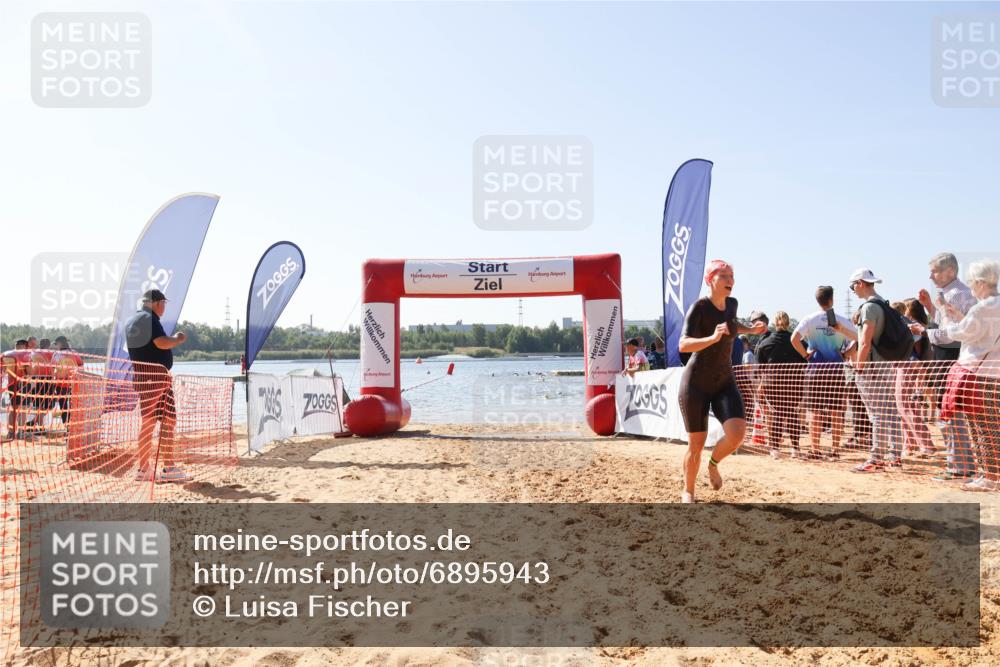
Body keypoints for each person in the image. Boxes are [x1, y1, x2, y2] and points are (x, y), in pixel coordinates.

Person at [677, 260, 767, 502]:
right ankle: (688, 491)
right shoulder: (699, 308)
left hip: (724, 381)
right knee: (696, 444)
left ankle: (713, 464)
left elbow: (732, 325)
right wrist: (712, 337)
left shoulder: (732, 304)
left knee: (737, 433)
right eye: (724, 276)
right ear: (710, 280)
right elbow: (683, 344)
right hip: (695, 383)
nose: (730, 281)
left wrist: (750, 330)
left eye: (732, 276)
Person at [910, 260, 1000, 491]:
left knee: (980, 427)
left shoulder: (982, 308)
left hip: (976, 373)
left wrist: (936, 322)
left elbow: (961, 334)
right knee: (992, 426)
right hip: (994, 373)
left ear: (980, 283)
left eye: (972, 282)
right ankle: (990, 475)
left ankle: (989, 476)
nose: (970, 286)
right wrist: (951, 313)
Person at [918, 252, 978, 481]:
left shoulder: (960, 294)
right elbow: (946, 324)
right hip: (948, 357)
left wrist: (925, 331)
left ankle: (959, 466)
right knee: (950, 413)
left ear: (950, 271)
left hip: (952, 357)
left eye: (934, 271)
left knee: (951, 413)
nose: (930, 276)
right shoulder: (950, 294)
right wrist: (929, 309)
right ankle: (960, 464)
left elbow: (956, 333)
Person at [125, 289, 189, 483]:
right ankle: (166, 467)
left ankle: (144, 469)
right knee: (167, 421)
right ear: (156, 302)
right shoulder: (149, 319)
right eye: (163, 303)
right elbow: (161, 343)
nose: (164, 308)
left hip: (144, 377)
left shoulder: (133, 320)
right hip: (156, 378)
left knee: (150, 422)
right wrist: (177, 339)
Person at [842, 268, 903, 472]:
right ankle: (895, 455)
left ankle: (876, 457)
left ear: (860, 283)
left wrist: (858, 367)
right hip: (885, 364)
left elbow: (865, 342)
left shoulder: (868, 308)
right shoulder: (883, 304)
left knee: (876, 414)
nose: (853, 291)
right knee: (890, 412)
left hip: (871, 367)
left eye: (853, 287)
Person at [791, 286, 856, 460]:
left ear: (817, 300)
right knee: (836, 411)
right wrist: (845, 354)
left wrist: (805, 355)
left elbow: (794, 339)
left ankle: (815, 449)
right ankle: (835, 450)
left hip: (815, 370)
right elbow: (859, 339)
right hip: (835, 369)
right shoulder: (842, 320)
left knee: (816, 411)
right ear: (832, 299)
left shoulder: (809, 319)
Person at [756, 311, 808, 458]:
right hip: (795, 384)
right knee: (792, 413)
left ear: (774, 323)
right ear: (788, 323)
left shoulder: (765, 343)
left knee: (777, 414)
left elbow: (761, 368)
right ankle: (795, 449)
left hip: (773, 384)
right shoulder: (799, 342)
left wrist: (762, 384)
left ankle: (775, 449)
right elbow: (806, 361)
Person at [895, 299, 935, 458]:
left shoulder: (914, 328)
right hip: (910, 368)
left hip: (909, 368)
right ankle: (909, 444)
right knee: (905, 407)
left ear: (910, 311)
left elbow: (911, 348)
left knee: (907, 407)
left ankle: (926, 445)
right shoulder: (919, 327)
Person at [50, 336, 84, 427]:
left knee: (65, 405)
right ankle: (69, 426)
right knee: (70, 405)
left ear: (60, 343)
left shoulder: (56, 354)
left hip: (65, 384)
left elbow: (52, 370)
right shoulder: (73, 353)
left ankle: (68, 425)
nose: (56, 346)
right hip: (70, 384)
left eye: (56, 344)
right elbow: (81, 366)